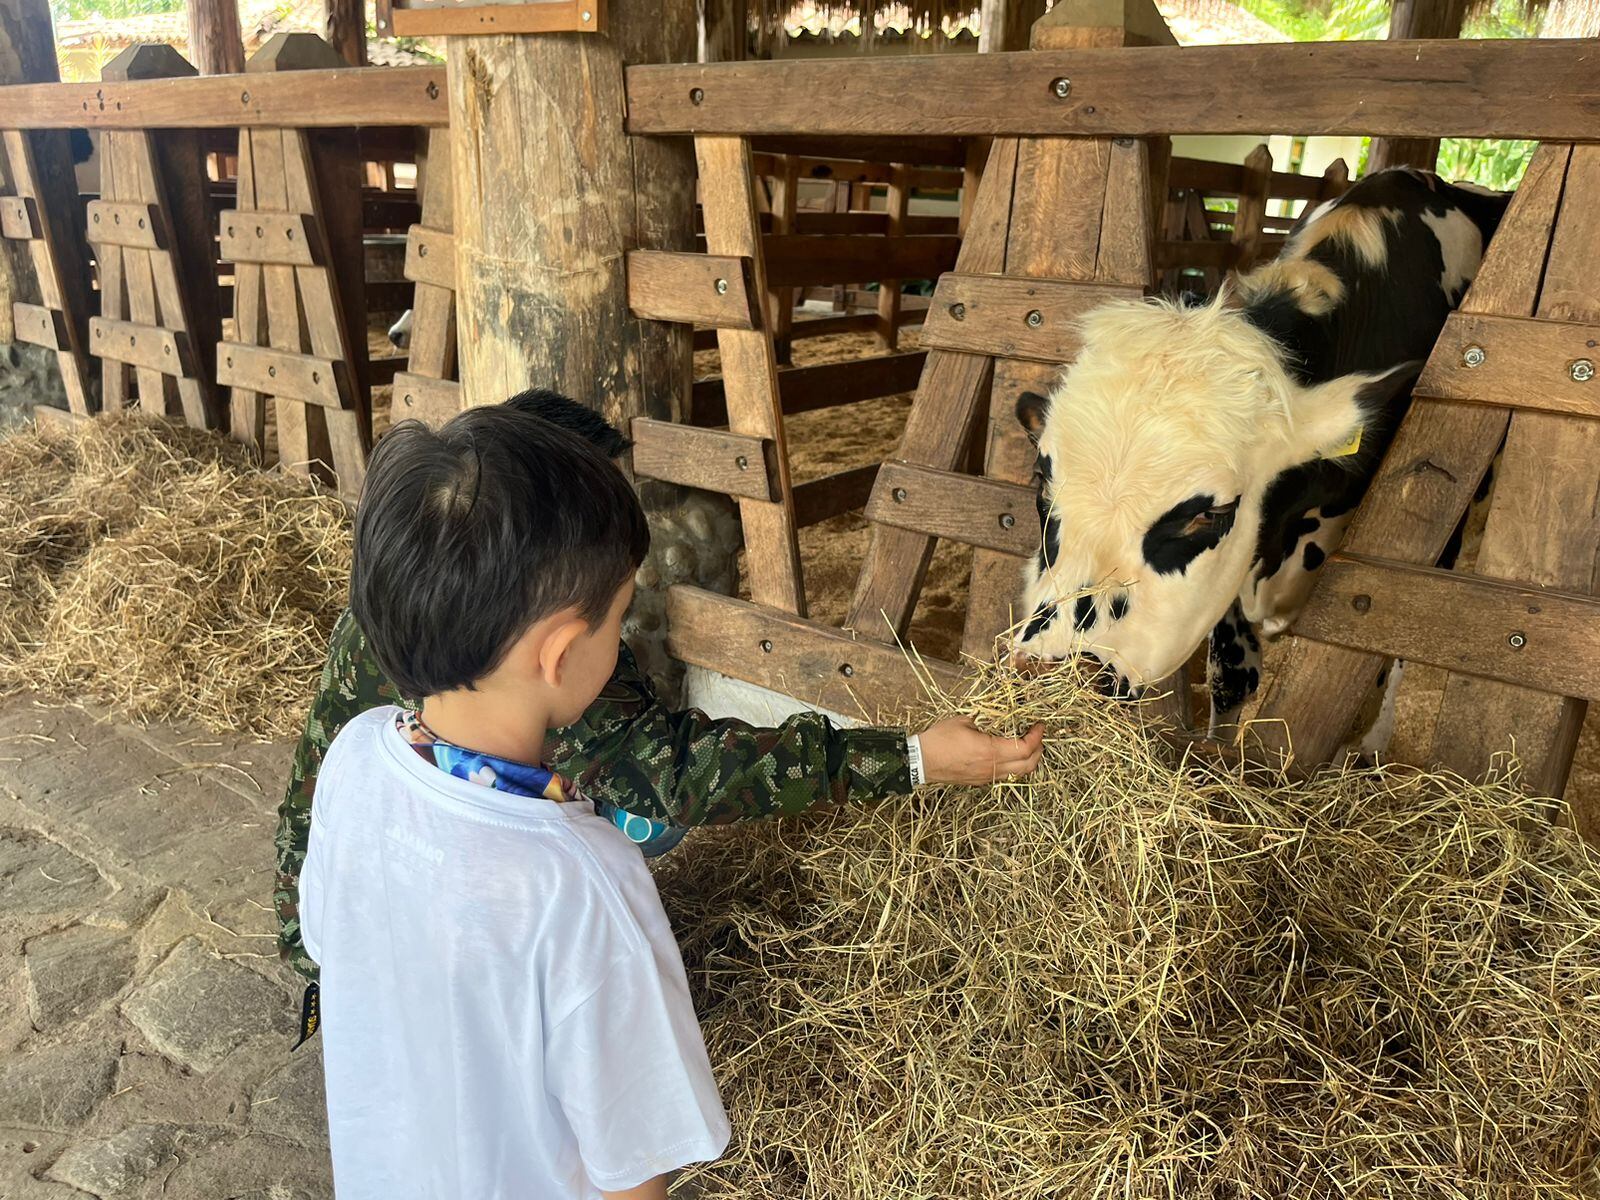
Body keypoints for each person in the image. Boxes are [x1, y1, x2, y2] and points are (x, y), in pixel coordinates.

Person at [299, 400, 1045, 1199]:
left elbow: (329, 943)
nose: (622, 636)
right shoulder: (583, 883)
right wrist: (910, 756)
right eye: (619, 616)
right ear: (559, 651)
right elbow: (633, 1168)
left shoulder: (354, 754)